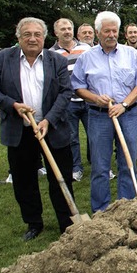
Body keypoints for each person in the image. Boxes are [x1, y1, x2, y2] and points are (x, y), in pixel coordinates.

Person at [0, 17, 74, 239]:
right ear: (18, 37)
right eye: (27, 34)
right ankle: (34, 223)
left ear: (44, 37)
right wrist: (13, 105)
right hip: (20, 130)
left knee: (61, 177)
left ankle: (67, 223)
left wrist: (48, 119)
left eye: (37, 34)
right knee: (24, 179)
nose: (32, 38)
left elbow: (66, 92)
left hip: (52, 128)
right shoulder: (3, 58)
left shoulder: (56, 60)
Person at [71, 11, 137, 212]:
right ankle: (101, 210)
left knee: (128, 161)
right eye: (107, 31)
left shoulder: (131, 54)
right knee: (100, 166)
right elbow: (78, 86)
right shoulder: (86, 57)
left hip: (128, 114)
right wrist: (96, 98)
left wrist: (123, 105)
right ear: (98, 33)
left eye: (114, 31)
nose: (111, 35)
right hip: (99, 115)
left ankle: (127, 208)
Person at [50, 18, 92, 182]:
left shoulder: (85, 48)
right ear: (56, 32)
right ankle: (76, 168)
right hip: (68, 103)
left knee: (94, 135)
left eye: (69, 28)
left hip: (89, 99)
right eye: (63, 29)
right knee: (72, 137)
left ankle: (99, 166)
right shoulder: (52, 53)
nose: (67, 31)